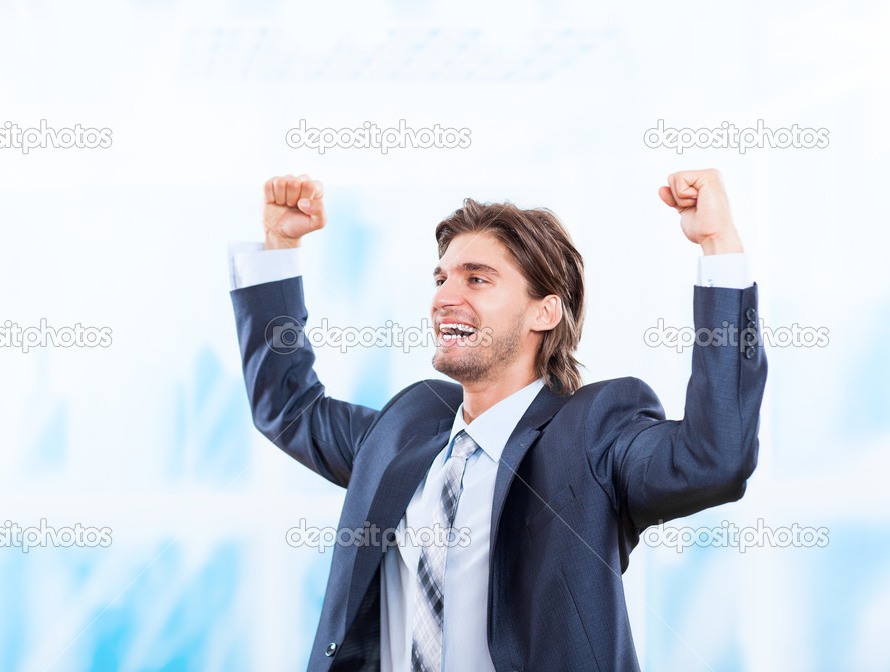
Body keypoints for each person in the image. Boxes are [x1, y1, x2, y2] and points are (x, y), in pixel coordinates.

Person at [227, 170, 767, 671]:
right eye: (440, 278)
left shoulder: (594, 432)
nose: (444, 296)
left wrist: (719, 247)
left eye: (477, 279)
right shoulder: (405, 428)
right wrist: (280, 249)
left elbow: (715, 459)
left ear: (544, 312)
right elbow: (289, 407)